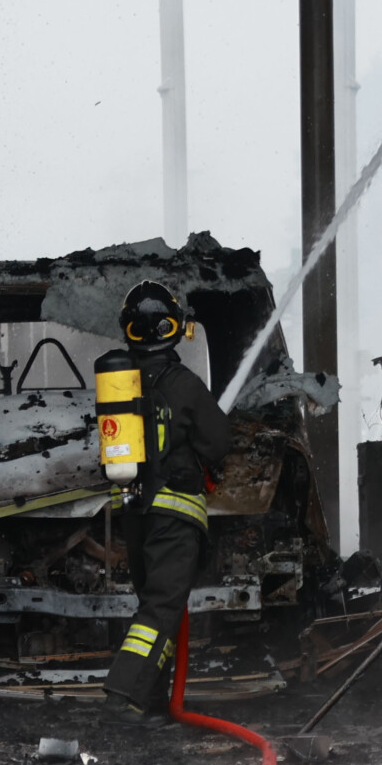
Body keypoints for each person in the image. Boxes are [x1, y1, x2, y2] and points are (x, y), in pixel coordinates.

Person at [102, 280, 233, 717]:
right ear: (174, 328)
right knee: (162, 608)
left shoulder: (119, 386)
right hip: (175, 516)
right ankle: (124, 697)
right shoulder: (185, 385)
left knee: (155, 604)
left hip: (135, 513)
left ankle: (152, 703)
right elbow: (218, 442)